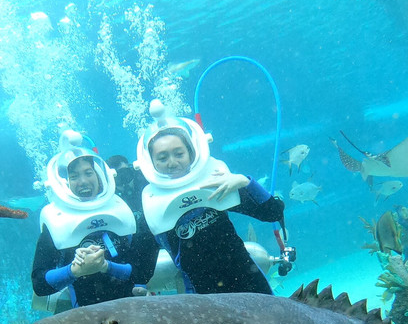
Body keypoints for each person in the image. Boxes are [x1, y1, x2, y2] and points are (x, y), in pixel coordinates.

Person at [136, 100, 285, 294]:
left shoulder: (214, 180)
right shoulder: (152, 205)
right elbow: (140, 266)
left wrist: (244, 181)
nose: (172, 163)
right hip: (202, 295)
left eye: (179, 153)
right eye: (162, 158)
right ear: (150, 162)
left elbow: (273, 212)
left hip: (248, 280)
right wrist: (139, 288)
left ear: (191, 153)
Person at [32, 130, 159, 308]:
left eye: (88, 173)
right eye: (74, 176)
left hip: (131, 307)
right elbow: (39, 285)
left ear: (99, 175)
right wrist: (74, 271)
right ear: (64, 183)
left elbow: (143, 271)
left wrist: (106, 266)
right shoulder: (56, 221)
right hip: (87, 316)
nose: (83, 181)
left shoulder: (120, 210)